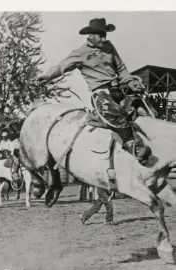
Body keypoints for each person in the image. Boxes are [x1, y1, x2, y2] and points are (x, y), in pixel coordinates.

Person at [37, 18, 151, 165]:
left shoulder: (109, 46)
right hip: (101, 95)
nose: (104, 38)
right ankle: (134, 146)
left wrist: (131, 82)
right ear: (90, 36)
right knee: (117, 114)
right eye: (100, 36)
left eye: (105, 35)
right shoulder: (80, 53)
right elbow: (61, 67)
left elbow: (121, 68)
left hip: (118, 90)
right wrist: (47, 76)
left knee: (141, 107)